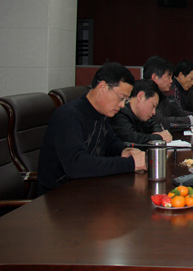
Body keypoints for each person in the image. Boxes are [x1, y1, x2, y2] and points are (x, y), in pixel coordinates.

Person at [37, 62, 146, 196]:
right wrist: (130, 164)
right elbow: (77, 165)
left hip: (86, 190)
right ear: (103, 87)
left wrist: (124, 150)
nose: (122, 105)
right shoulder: (69, 117)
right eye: (121, 98)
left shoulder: (101, 113)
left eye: (126, 100)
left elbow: (110, 143)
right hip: (59, 197)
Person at [142, 56, 193, 127]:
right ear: (155, 77)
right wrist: (192, 121)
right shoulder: (146, 96)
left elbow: (178, 113)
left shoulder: (161, 95)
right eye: (168, 77)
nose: (171, 81)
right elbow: (162, 122)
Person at [110, 79, 172, 145]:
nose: (154, 112)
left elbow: (154, 124)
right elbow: (132, 138)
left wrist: (157, 132)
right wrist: (159, 137)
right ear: (141, 97)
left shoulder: (141, 116)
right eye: (153, 106)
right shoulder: (119, 112)